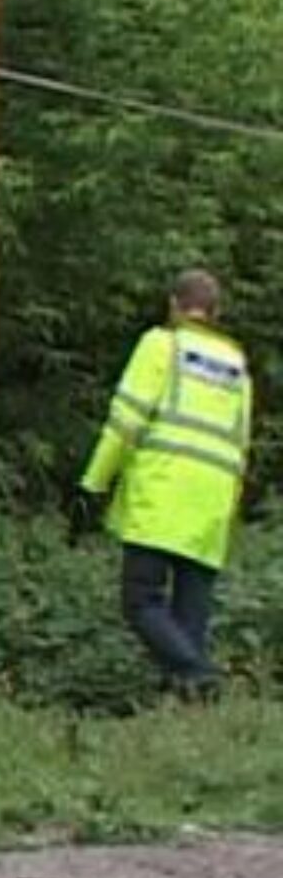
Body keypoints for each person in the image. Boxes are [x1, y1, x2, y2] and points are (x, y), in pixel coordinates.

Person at [77, 268, 253, 698]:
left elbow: (126, 422)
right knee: (190, 616)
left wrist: (95, 481)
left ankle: (199, 675)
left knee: (140, 601)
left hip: (160, 495)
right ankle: (190, 708)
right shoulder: (237, 365)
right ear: (216, 312)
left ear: (174, 305)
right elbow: (241, 443)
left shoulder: (162, 345)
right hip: (211, 504)